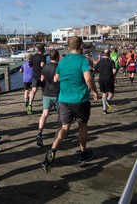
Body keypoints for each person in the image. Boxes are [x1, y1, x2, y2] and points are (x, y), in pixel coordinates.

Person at [42, 36, 98, 174]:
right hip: (80, 100)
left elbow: (56, 78)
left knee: (64, 127)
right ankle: (83, 153)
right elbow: (88, 78)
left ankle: (52, 150)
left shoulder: (63, 61)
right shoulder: (82, 60)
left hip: (64, 99)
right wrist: (95, 91)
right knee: (82, 126)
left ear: (68, 47)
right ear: (82, 47)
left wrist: (67, 78)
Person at [36, 49, 60, 147]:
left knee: (44, 114)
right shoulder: (59, 67)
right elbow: (58, 79)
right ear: (58, 57)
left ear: (50, 57)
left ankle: (39, 133)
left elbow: (42, 79)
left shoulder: (45, 67)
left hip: (46, 93)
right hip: (57, 93)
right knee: (60, 113)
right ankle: (60, 132)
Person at [94, 49, 117, 115]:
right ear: (109, 54)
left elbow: (94, 69)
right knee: (111, 93)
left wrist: (100, 71)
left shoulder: (100, 62)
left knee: (104, 93)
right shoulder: (111, 62)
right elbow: (114, 71)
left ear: (103, 54)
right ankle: (108, 100)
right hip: (109, 79)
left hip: (101, 79)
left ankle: (104, 110)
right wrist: (113, 76)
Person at [27, 44, 46, 115]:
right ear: (43, 50)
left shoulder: (33, 56)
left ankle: (30, 104)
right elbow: (42, 65)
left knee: (33, 90)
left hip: (34, 75)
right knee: (43, 90)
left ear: (38, 50)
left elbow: (29, 65)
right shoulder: (43, 56)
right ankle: (44, 105)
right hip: (42, 75)